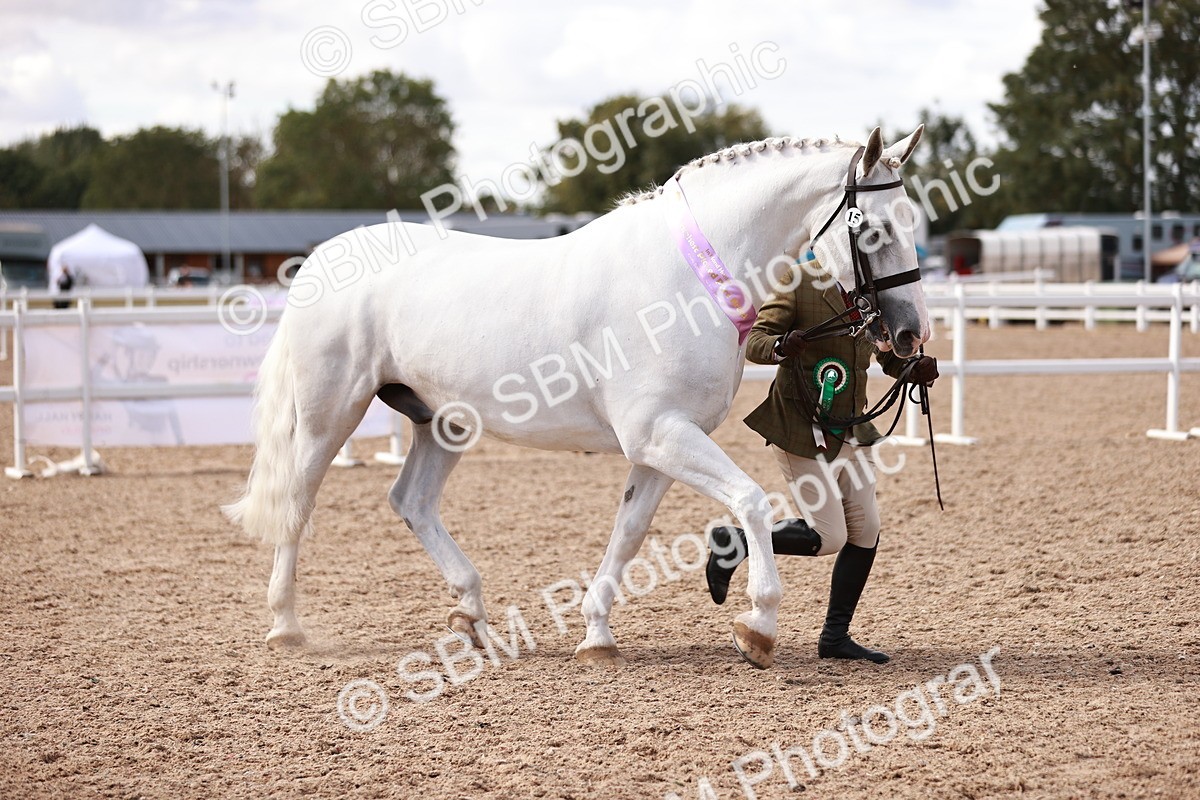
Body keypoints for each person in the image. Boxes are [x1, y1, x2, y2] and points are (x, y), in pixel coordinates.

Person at [705, 261, 938, 664]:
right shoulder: (798, 280)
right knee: (829, 537)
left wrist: (911, 367)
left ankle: (835, 638)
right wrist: (781, 346)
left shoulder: (872, 292)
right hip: (801, 427)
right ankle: (736, 542)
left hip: (852, 427)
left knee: (865, 531)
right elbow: (756, 339)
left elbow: (886, 353)